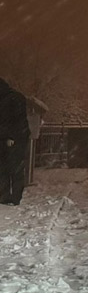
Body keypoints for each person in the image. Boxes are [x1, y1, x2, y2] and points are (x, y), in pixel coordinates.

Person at [0, 78, 30, 206]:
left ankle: (13, 197)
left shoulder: (12, 99)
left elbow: (17, 120)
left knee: (12, 168)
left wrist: (11, 137)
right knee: (10, 168)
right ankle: (9, 196)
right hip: (10, 138)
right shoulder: (13, 97)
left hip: (14, 139)